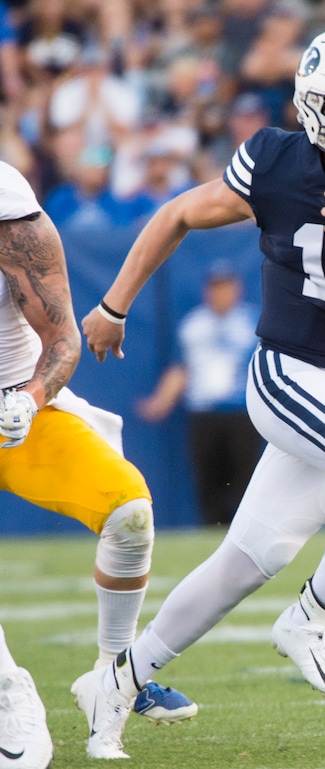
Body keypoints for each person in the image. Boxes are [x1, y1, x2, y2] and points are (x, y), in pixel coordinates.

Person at [75, 25, 325, 759]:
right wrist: (113, 303)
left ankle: (118, 683)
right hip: (289, 374)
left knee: (247, 558)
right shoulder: (273, 160)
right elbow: (177, 214)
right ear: (316, 107)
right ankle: (311, 616)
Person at [0, 160, 197, 767]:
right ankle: (11, 695)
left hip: (10, 402)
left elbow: (62, 338)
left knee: (129, 510)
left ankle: (112, 676)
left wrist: (28, 399)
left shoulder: (8, 205)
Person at [137, 260, 262, 526]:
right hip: (203, 411)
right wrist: (161, 401)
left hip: (242, 411)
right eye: (215, 287)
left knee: (244, 476)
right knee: (208, 477)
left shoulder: (253, 322)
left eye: (225, 287)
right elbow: (182, 368)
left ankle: (243, 529)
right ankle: (211, 530)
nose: (221, 293)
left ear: (237, 289)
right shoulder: (193, 325)